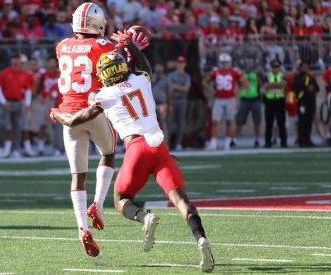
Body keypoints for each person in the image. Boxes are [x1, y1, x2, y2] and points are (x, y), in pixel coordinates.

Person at [52, 33, 214, 273]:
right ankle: (200, 237)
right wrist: (128, 42)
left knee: (120, 200)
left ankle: (143, 217)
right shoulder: (141, 79)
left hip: (136, 149)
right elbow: (143, 64)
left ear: (103, 76)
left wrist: (56, 114)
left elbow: (76, 120)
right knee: (181, 200)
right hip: (160, 149)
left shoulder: (104, 96)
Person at [53, 2, 118, 257]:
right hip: (92, 109)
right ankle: (98, 205)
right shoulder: (102, 45)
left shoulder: (61, 46)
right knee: (108, 153)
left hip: (68, 112)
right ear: (99, 25)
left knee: (77, 176)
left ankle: (81, 227)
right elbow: (113, 70)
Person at [0, 54, 36, 158]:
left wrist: (27, 103)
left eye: (18, 61)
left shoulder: (24, 74)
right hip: (7, 102)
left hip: (19, 102)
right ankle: (4, 149)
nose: (16, 63)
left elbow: (27, 90)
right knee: (6, 127)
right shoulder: (5, 73)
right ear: (11, 62)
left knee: (18, 127)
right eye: (14, 61)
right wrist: (3, 102)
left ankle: (16, 149)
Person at [205, 53, 246, 150]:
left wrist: (238, 91)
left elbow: (244, 82)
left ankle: (227, 142)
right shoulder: (215, 71)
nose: (224, 65)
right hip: (218, 99)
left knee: (229, 121)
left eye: (226, 63)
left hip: (230, 99)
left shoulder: (235, 71)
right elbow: (205, 82)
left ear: (230, 63)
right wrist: (212, 91)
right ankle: (213, 142)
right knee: (215, 121)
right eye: (222, 63)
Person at [36, 56, 60, 156]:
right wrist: (39, 95)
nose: (51, 64)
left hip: (58, 100)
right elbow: (38, 85)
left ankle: (57, 147)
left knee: (57, 126)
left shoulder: (60, 73)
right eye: (50, 62)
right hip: (46, 100)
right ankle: (40, 146)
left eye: (53, 62)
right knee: (43, 124)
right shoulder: (43, 74)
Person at [293, 61, 320, 147]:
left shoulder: (311, 78)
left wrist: (313, 88)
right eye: (304, 67)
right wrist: (307, 87)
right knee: (302, 121)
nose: (305, 69)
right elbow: (297, 87)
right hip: (302, 102)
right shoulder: (297, 77)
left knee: (309, 121)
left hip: (311, 102)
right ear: (301, 68)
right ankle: (302, 140)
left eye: (307, 67)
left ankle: (308, 139)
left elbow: (317, 88)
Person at [167, 56, 191, 150]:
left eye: (182, 63)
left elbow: (186, 89)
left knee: (181, 122)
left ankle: (178, 143)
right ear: (176, 64)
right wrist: (180, 88)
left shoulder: (186, 76)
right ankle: (168, 142)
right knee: (170, 122)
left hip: (182, 100)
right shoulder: (171, 75)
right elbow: (169, 89)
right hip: (172, 100)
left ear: (185, 64)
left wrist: (175, 86)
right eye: (179, 63)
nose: (181, 65)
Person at [262, 60, 287, 148]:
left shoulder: (282, 75)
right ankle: (267, 142)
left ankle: (283, 142)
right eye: (274, 67)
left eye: (277, 67)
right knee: (269, 123)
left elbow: (284, 84)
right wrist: (278, 84)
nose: (276, 69)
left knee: (281, 123)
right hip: (270, 100)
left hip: (280, 100)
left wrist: (272, 85)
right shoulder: (267, 75)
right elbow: (266, 86)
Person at [235, 69, 262, 147]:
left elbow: (260, 84)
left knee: (257, 121)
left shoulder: (256, 73)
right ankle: (234, 139)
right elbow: (239, 84)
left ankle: (257, 139)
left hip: (255, 99)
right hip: (244, 99)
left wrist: (258, 76)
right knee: (239, 120)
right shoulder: (241, 73)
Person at [151, 62, 170, 144]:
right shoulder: (151, 77)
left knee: (163, 124)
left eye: (160, 67)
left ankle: (165, 143)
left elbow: (169, 93)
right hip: (152, 104)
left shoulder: (166, 79)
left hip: (162, 104)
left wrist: (169, 105)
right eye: (157, 67)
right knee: (152, 124)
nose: (158, 68)